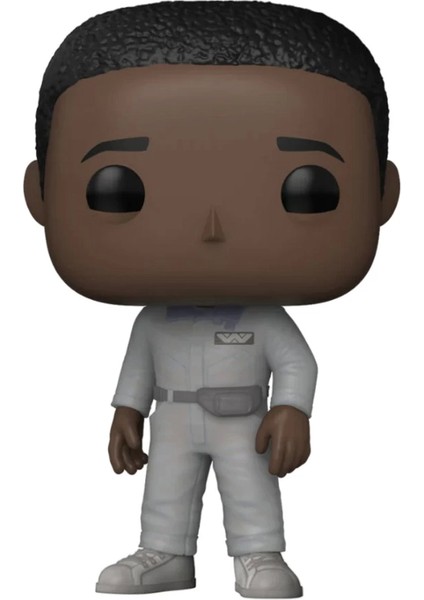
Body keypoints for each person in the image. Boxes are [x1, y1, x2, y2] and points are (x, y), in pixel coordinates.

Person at [24, 1, 399, 597]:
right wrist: (126, 412)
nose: (211, 229)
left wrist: (292, 409)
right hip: (171, 415)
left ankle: (259, 557)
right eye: (119, 189)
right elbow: (137, 368)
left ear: (383, 195)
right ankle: (164, 553)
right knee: (165, 488)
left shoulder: (265, 319)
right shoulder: (153, 321)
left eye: (308, 189)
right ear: (40, 195)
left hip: (243, 417)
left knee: (250, 488)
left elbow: (297, 363)